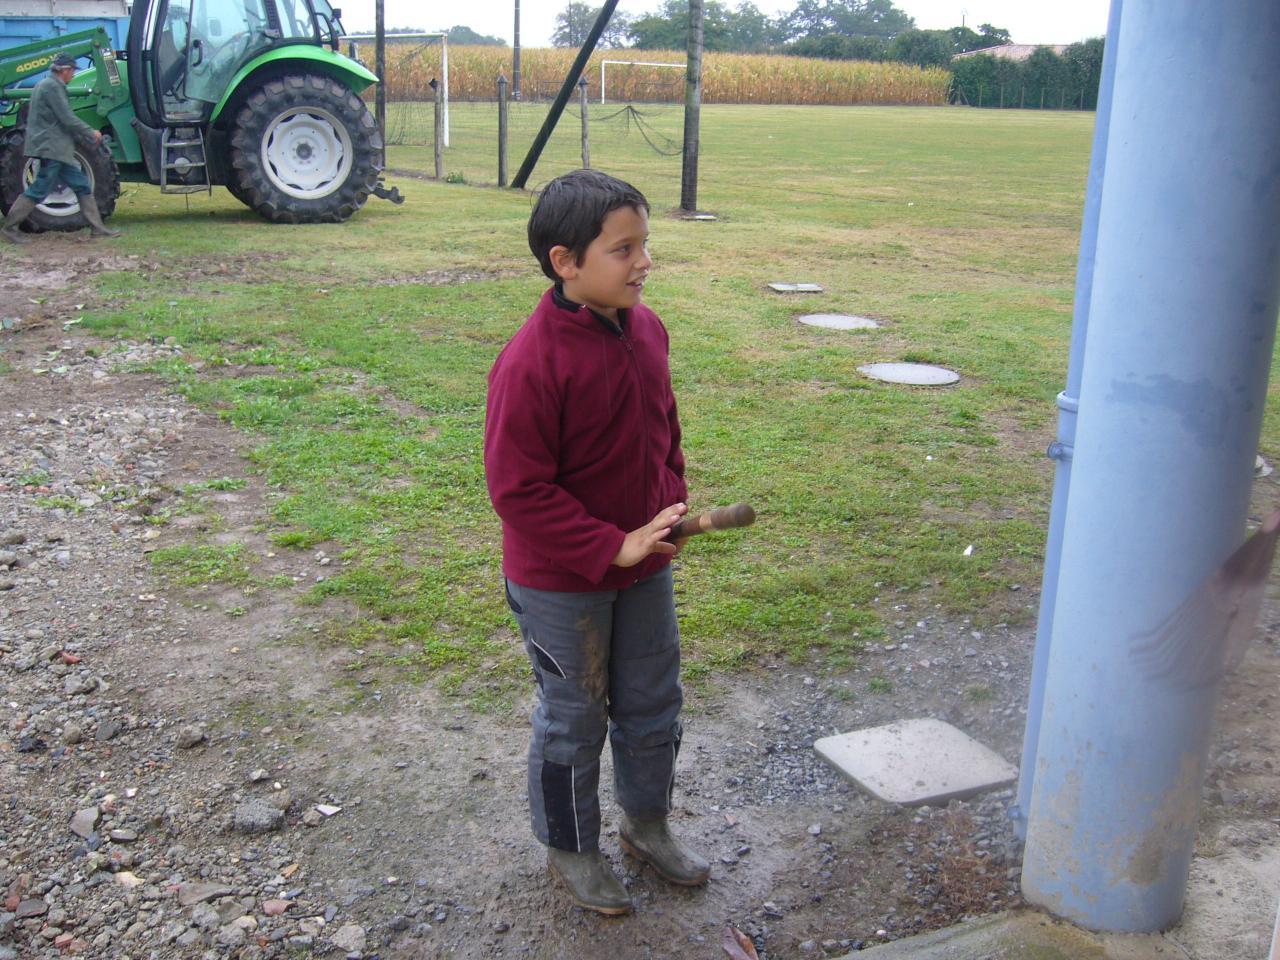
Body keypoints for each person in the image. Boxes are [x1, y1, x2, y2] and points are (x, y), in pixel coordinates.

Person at [484, 169, 710, 916]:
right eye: (624, 249)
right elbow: (517, 491)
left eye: (645, 244)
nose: (644, 262)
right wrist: (606, 545)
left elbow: (662, 429)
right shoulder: (530, 362)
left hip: (646, 567)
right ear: (565, 262)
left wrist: (666, 506)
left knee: (652, 701)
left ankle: (646, 825)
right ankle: (571, 848)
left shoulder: (647, 328)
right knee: (574, 717)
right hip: (562, 584)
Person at [1, 52, 120, 244]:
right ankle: (9, 228)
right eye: (72, 71)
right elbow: (67, 118)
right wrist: (91, 132)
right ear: (64, 70)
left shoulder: (46, 85)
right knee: (39, 189)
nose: (73, 75)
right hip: (52, 148)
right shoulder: (52, 87)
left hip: (56, 148)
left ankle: (98, 229)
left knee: (81, 185)